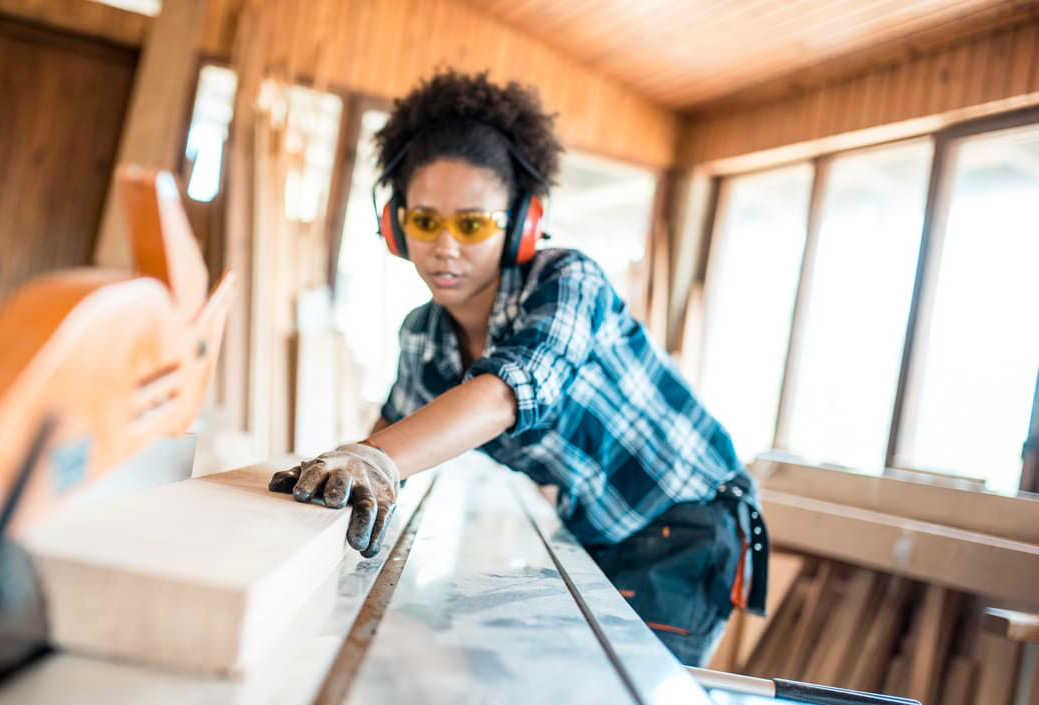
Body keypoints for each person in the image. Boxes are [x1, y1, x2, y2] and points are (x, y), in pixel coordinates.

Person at [268, 70, 768, 666]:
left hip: (688, 523)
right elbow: (389, 448)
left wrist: (377, 457)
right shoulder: (423, 334)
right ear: (396, 226)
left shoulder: (567, 282)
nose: (445, 246)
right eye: (425, 221)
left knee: (625, 683)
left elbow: (507, 393)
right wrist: (348, 469)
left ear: (523, 225)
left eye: (472, 223)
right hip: (602, 525)